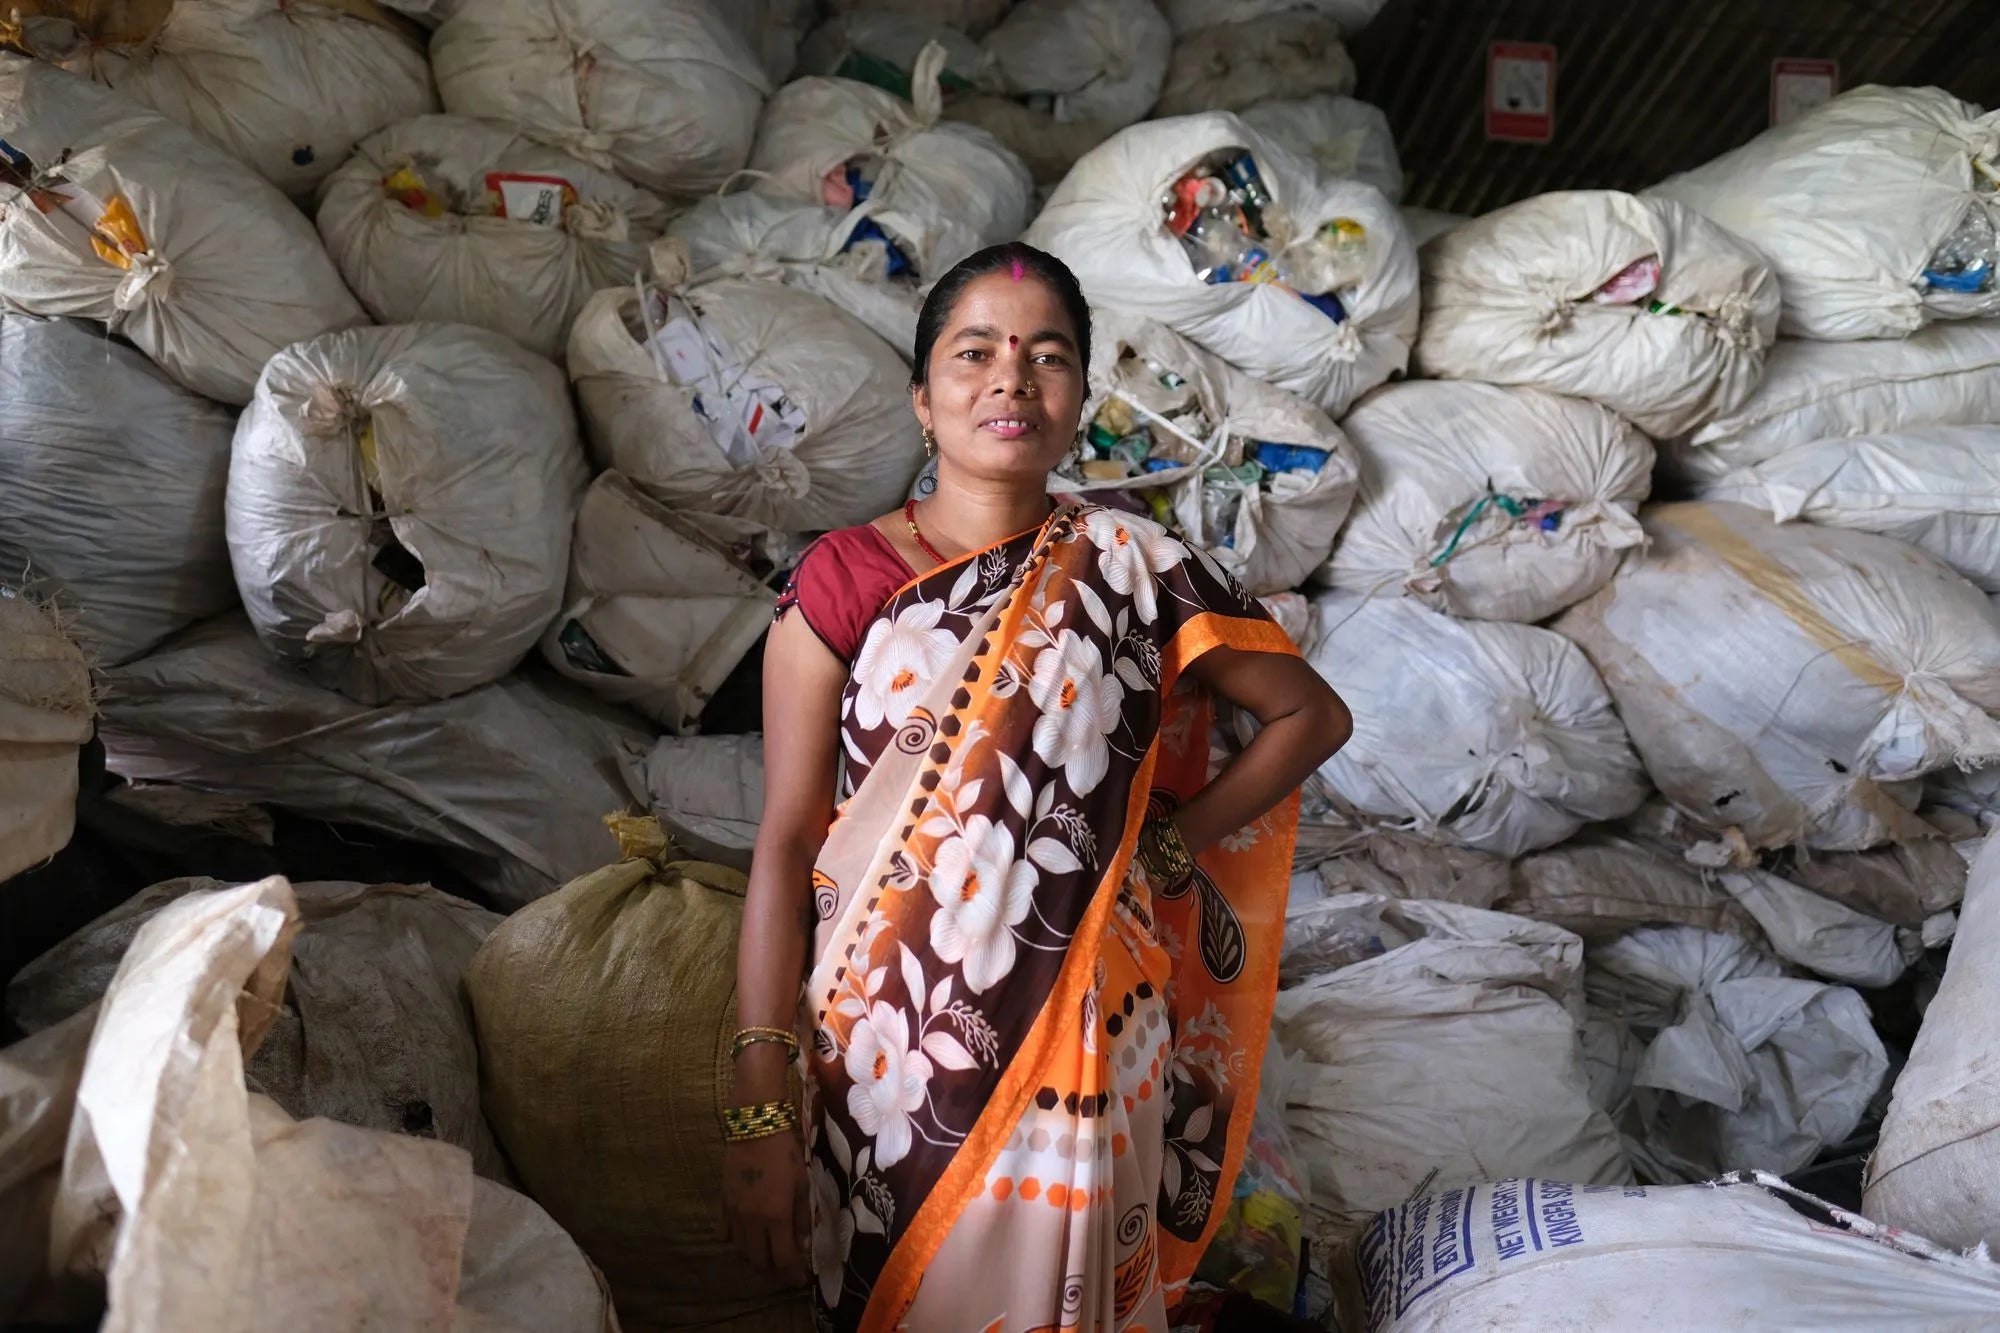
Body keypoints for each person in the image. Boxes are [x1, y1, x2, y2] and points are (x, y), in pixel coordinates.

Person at [723, 241, 1352, 1332]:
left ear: (1073, 402)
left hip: (1082, 1049)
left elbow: (1310, 715)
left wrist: (1172, 838)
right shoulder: (843, 578)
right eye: (975, 353)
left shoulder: (1135, 567)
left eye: (1046, 356)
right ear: (922, 400)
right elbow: (785, 841)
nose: (1010, 377)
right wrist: (756, 1089)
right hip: (878, 1062)